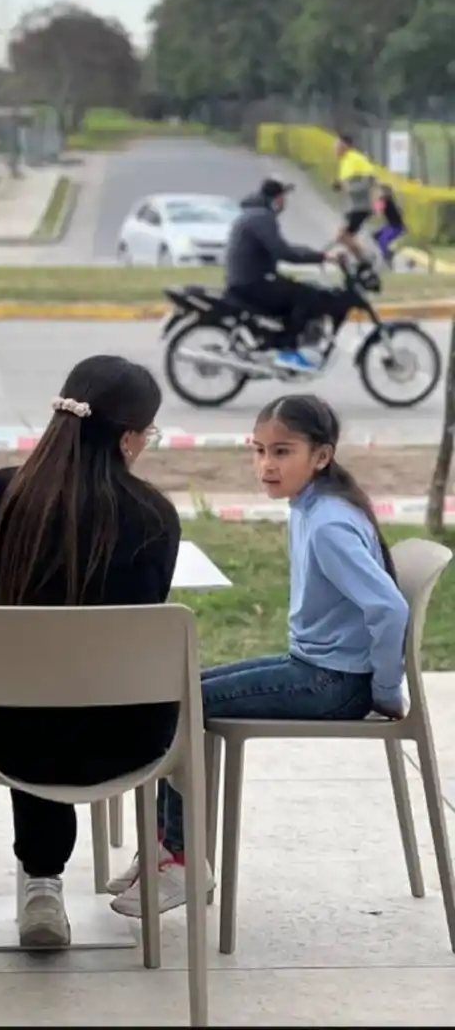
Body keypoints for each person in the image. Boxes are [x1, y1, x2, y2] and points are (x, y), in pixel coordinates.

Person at [108, 393, 409, 919]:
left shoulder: (330, 522)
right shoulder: (311, 507)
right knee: (174, 689)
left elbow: (388, 608)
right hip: (317, 669)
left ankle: (180, 858)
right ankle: (163, 847)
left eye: (283, 452)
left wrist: (385, 690)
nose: (267, 466)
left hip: (334, 683)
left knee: (179, 703)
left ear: (321, 456)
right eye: (259, 451)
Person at [0, 355, 182, 950]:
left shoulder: (1, 496)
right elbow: (143, 614)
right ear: (129, 437)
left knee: (31, 694)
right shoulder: (155, 515)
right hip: (133, 741)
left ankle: (41, 882)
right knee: (72, 692)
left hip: (7, 743)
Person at [224, 177, 349, 371]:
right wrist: (322, 257)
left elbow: (282, 249)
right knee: (306, 296)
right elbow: (283, 252)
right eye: (283, 197)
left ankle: (284, 340)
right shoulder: (261, 218)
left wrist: (318, 255)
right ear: (276, 198)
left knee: (297, 289)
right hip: (253, 283)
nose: (285, 203)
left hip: (249, 279)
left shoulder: (254, 214)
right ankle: (288, 351)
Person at [332, 133, 378, 265]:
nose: (334, 149)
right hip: (354, 206)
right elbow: (347, 184)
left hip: (361, 206)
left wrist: (350, 188)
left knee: (343, 235)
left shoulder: (356, 159)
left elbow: (370, 180)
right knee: (343, 236)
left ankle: (366, 257)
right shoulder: (345, 161)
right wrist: (339, 186)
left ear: (345, 146)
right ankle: (363, 259)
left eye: (337, 145)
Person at [372, 182, 407, 264]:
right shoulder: (388, 200)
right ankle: (387, 252)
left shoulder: (387, 201)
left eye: (383, 191)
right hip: (390, 225)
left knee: (382, 240)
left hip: (396, 228)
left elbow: (376, 212)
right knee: (375, 236)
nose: (381, 193)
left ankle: (387, 256)